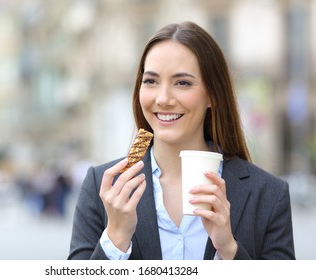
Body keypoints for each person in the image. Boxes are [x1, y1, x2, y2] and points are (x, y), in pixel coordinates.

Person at [68, 21, 295, 260]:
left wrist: (228, 250)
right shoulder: (103, 187)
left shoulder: (269, 194)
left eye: (182, 83)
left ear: (213, 96)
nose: (163, 98)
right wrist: (116, 238)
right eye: (151, 81)